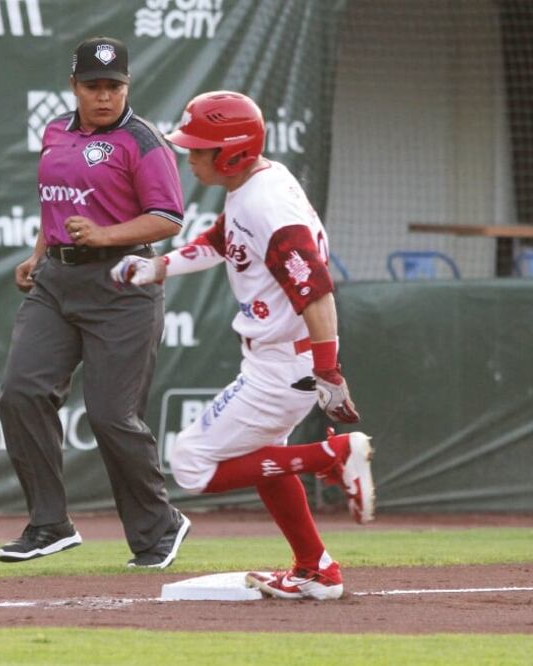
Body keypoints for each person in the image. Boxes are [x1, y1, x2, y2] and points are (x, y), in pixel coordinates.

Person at [110, 91, 375, 600]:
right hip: (279, 358)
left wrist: (329, 371)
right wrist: (162, 265)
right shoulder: (256, 183)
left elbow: (316, 289)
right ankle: (316, 569)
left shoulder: (265, 202)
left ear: (231, 152)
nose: (189, 156)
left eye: (199, 148)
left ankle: (334, 456)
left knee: (191, 463)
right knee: (266, 460)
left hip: (283, 364)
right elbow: (223, 237)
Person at [0, 36, 190, 569]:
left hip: (124, 284)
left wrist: (102, 236)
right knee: (20, 392)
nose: (104, 96)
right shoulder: (56, 130)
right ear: (74, 86)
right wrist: (40, 254)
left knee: (110, 415)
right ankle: (49, 523)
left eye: (114, 86)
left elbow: (169, 218)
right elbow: (56, 203)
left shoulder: (143, 140)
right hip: (58, 280)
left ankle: (159, 527)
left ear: (127, 86)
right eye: (93, 86)